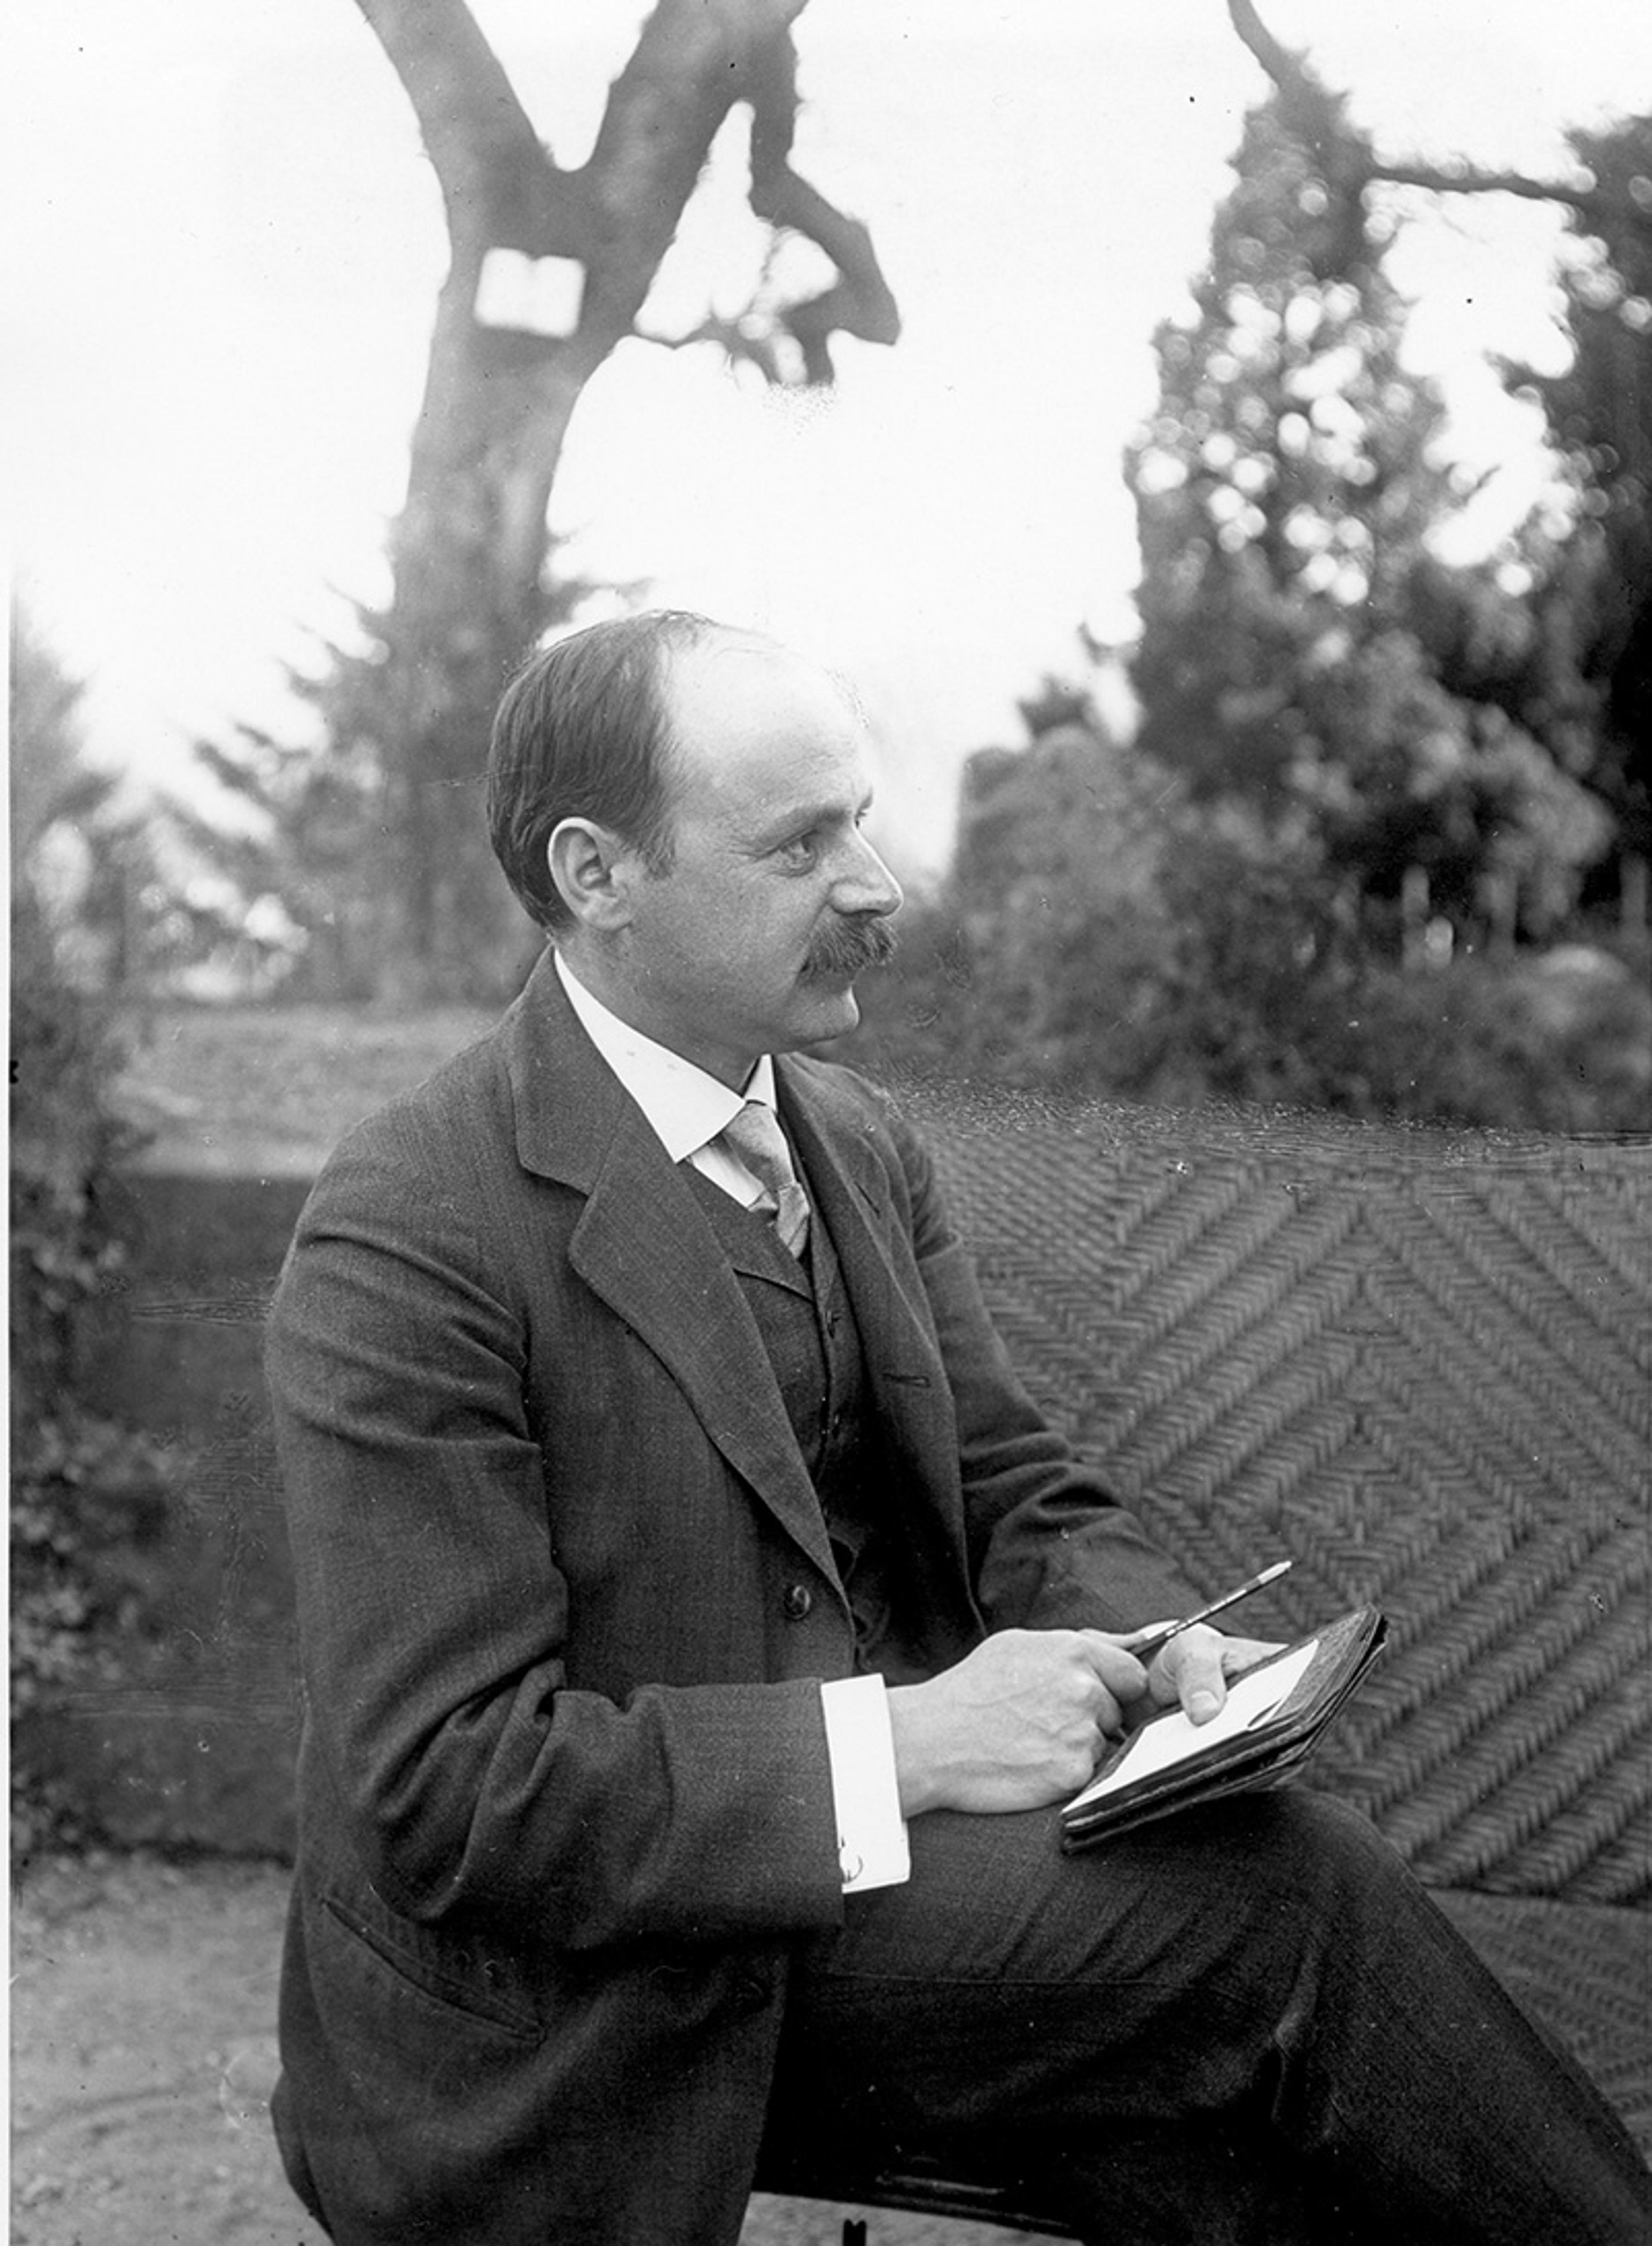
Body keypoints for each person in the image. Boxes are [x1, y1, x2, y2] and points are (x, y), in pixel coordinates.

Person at [265, 609, 1650, 2246]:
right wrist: (914, 1744)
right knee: (1288, 1902)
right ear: (597, 874)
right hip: (592, 1995)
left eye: (860, 818)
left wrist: (1150, 1651)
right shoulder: (412, 1225)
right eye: (799, 845)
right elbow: (451, 1793)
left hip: (863, 1915)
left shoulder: (852, 1143)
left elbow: (1011, 1486)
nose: (878, 887)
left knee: (1241, 2151)